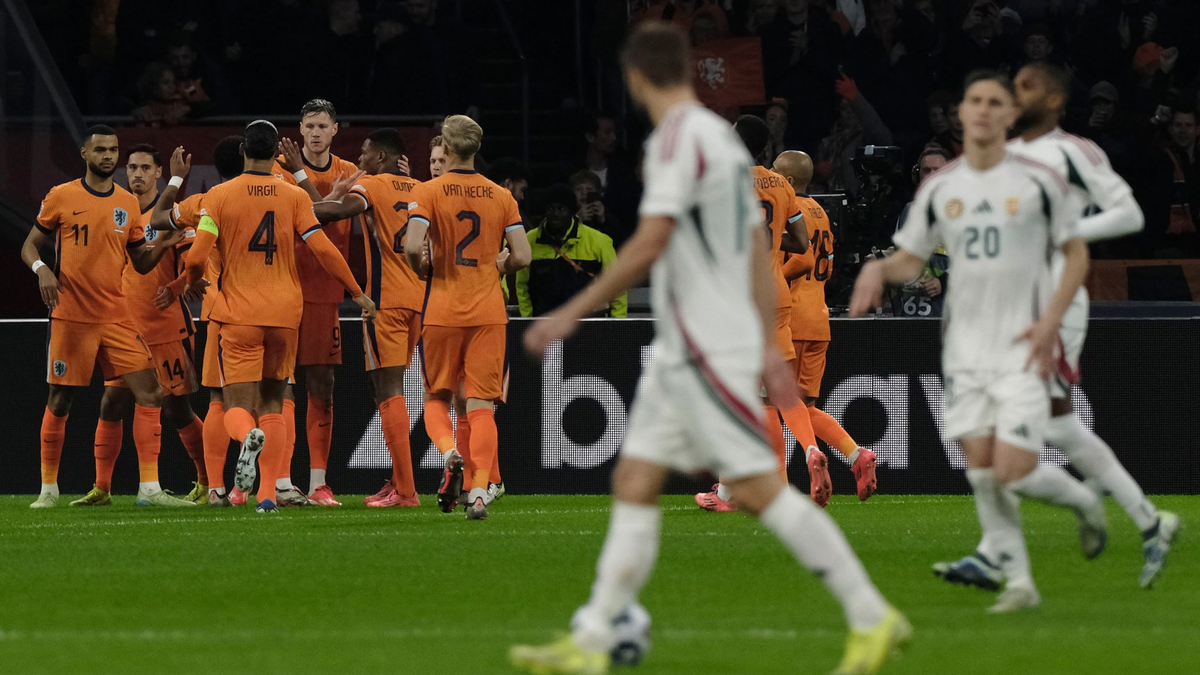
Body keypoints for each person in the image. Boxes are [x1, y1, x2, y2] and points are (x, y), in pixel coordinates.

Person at [511, 23, 908, 675]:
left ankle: (870, 612)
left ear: (638, 77)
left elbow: (650, 243)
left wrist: (570, 313)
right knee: (640, 481)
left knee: (750, 488)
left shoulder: (683, 143)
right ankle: (596, 632)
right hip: (716, 334)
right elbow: (757, 246)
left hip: (705, 340)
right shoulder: (724, 153)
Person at [850, 70, 1104, 613]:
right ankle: (1020, 583)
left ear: (1010, 116)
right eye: (975, 101)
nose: (984, 110)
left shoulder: (1037, 181)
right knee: (983, 471)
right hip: (963, 347)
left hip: (1020, 341)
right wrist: (878, 269)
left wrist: (1050, 321)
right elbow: (911, 259)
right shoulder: (941, 188)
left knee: (1013, 470)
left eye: (995, 102)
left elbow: (1076, 254)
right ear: (962, 114)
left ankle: (1085, 502)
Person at [934, 62, 1180, 591]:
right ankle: (1148, 520)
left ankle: (997, 551)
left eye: (1027, 87)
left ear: (1054, 99)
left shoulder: (1075, 151)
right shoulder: (1008, 155)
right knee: (1058, 426)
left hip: (1056, 303)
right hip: (1011, 302)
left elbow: (1129, 214)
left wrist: (1060, 231)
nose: (1015, 94)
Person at [181, 119, 375, 513]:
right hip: (286, 315)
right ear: (276, 155)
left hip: (239, 315)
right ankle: (268, 495)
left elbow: (198, 254)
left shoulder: (219, 196)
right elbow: (324, 250)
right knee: (275, 401)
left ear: (243, 151)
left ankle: (246, 439)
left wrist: (192, 278)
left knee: (235, 405)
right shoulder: (294, 196)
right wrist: (357, 293)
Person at [22, 125, 189, 508]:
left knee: (151, 393)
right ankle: (48, 490)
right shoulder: (61, 195)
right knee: (60, 400)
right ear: (85, 153)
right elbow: (30, 245)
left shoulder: (127, 203)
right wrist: (42, 269)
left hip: (116, 316)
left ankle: (150, 489)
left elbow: (140, 262)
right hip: (71, 316)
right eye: (100, 150)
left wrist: (163, 245)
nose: (108, 156)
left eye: (113, 150)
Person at [404, 114, 532, 520]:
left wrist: (422, 269)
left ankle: (449, 453)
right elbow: (523, 256)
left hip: (442, 309)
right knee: (481, 406)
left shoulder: (428, 191)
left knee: (437, 398)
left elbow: (412, 247)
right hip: (488, 311)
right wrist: (497, 267)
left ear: (446, 146)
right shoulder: (501, 196)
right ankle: (479, 491)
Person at [73, 144, 204, 508]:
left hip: (166, 330)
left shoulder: (170, 214)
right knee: (111, 403)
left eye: (145, 168)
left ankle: (209, 482)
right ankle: (102, 488)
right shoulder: (120, 215)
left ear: (159, 172)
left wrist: (178, 286)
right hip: (125, 330)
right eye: (132, 168)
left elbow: (195, 263)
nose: (137, 174)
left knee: (177, 410)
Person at [311, 128, 422, 508]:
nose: (360, 159)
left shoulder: (372, 185)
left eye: (364, 153)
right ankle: (397, 481)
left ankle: (406, 491)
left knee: (388, 390)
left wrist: (291, 204)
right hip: (419, 301)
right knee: (390, 389)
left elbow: (335, 212)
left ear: (380, 157)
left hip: (384, 303)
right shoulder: (421, 188)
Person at [149, 135, 249, 505]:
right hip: (277, 311)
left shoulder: (209, 201)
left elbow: (164, 222)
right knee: (273, 400)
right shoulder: (283, 195)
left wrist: (176, 178)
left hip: (223, 312)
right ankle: (276, 486)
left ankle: (218, 487)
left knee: (219, 399)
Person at [272, 98, 360, 506]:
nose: (315, 133)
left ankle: (319, 483)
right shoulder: (277, 171)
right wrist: (317, 193)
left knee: (322, 386)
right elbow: (294, 218)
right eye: (309, 126)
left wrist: (304, 180)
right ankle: (281, 480)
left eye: (323, 126)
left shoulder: (348, 171)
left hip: (325, 294)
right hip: (284, 290)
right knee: (281, 386)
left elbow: (330, 219)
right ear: (300, 129)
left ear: (335, 129)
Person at [778, 149, 878, 495]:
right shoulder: (821, 211)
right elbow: (828, 265)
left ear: (788, 180)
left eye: (776, 174)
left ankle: (783, 481)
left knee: (771, 403)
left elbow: (800, 260)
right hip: (819, 319)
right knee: (804, 407)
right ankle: (856, 454)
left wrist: (772, 278)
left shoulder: (789, 211)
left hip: (790, 319)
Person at [515, 184, 625, 318]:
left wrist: (617, 322)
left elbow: (617, 283)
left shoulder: (599, 241)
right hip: (547, 324)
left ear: (572, 212)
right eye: (550, 208)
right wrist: (528, 319)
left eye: (561, 209)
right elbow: (522, 286)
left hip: (589, 323)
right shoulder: (530, 240)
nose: (555, 214)